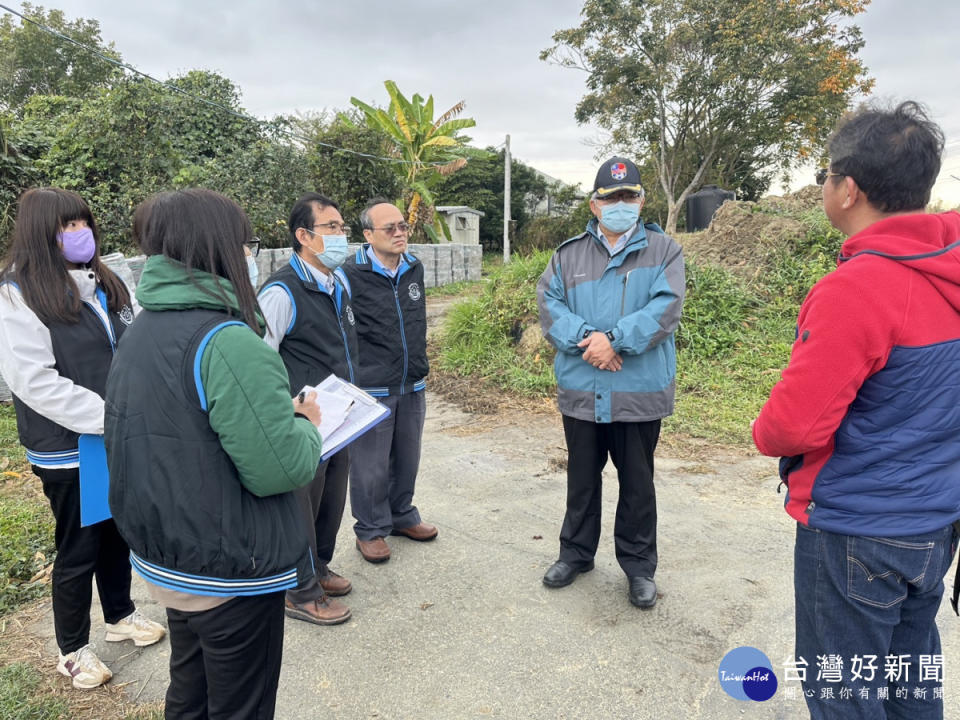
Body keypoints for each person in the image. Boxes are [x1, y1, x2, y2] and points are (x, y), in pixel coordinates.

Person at [752, 102, 960, 719]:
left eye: (826, 174)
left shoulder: (859, 288)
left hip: (858, 531)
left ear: (849, 189)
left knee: (844, 693)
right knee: (909, 679)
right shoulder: (946, 271)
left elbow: (793, 425)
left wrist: (764, 430)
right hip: (935, 523)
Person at [104, 189, 323, 718]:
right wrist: (307, 425)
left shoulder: (141, 329)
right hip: (229, 569)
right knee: (240, 704)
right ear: (220, 247)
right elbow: (281, 467)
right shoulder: (228, 341)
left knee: (191, 688)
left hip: (171, 558)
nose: (250, 254)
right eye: (246, 243)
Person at [0, 187, 165, 689]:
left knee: (118, 530)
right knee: (79, 545)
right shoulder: (18, 293)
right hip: (70, 446)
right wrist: (111, 415)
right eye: (66, 226)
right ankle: (72, 649)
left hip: (119, 434)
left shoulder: (109, 281)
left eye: (83, 223)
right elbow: (34, 380)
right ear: (39, 234)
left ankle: (119, 616)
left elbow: (137, 344)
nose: (79, 234)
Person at [536, 157, 685, 609]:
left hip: (637, 391)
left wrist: (616, 340)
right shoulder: (567, 255)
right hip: (582, 388)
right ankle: (576, 554)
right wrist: (588, 339)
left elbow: (666, 308)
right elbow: (550, 305)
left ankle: (639, 567)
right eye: (611, 197)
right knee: (581, 479)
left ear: (641, 200)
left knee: (637, 483)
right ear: (594, 204)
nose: (621, 204)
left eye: (629, 196)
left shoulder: (664, 251)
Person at [257, 192, 357, 624]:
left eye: (342, 227)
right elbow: (259, 358)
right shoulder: (281, 292)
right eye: (331, 228)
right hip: (304, 422)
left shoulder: (338, 282)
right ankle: (298, 590)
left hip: (341, 416)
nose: (341, 236)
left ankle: (318, 567)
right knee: (301, 502)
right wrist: (287, 412)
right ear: (303, 236)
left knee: (330, 499)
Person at [341, 198, 436, 564]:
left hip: (411, 381)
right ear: (367, 234)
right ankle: (370, 529)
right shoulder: (350, 273)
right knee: (370, 465)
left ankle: (402, 515)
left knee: (407, 458)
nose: (399, 233)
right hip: (371, 385)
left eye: (403, 227)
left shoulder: (414, 267)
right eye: (389, 228)